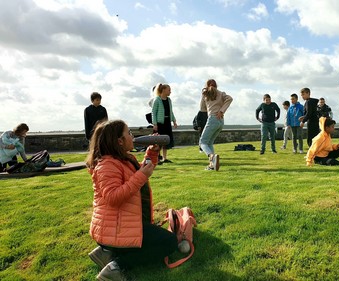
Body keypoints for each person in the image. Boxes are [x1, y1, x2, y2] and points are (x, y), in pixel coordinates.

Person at [86, 120, 178, 280]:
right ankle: (117, 266)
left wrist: (152, 154)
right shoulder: (106, 165)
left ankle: (106, 253)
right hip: (114, 229)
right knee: (169, 243)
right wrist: (142, 176)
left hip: (118, 226)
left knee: (158, 238)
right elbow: (113, 197)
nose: (132, 136)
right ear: (119, 141)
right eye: (128, 133)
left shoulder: (121, 159)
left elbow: (139, 171)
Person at [199, 79, 233, 171]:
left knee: (202, 142)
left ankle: (212, 157)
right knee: (209, 142)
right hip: (221, 121)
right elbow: (230, 98)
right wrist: (221, 111)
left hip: (212, 119)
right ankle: (212, 165)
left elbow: (202, 108)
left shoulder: (205, 94)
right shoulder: (221, 93)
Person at [151, 83, 178, 164]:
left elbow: (171, 111)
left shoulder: (169, 100)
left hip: (167, 122)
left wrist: (174, 121)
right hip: (160, 123)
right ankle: (157, 158)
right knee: (158, 141)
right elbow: (153, 112)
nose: (170, 92)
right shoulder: (157, 100)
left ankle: (165, 158)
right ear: (163, 90)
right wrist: (155, 124)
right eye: (169, 90)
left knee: (165, 141)